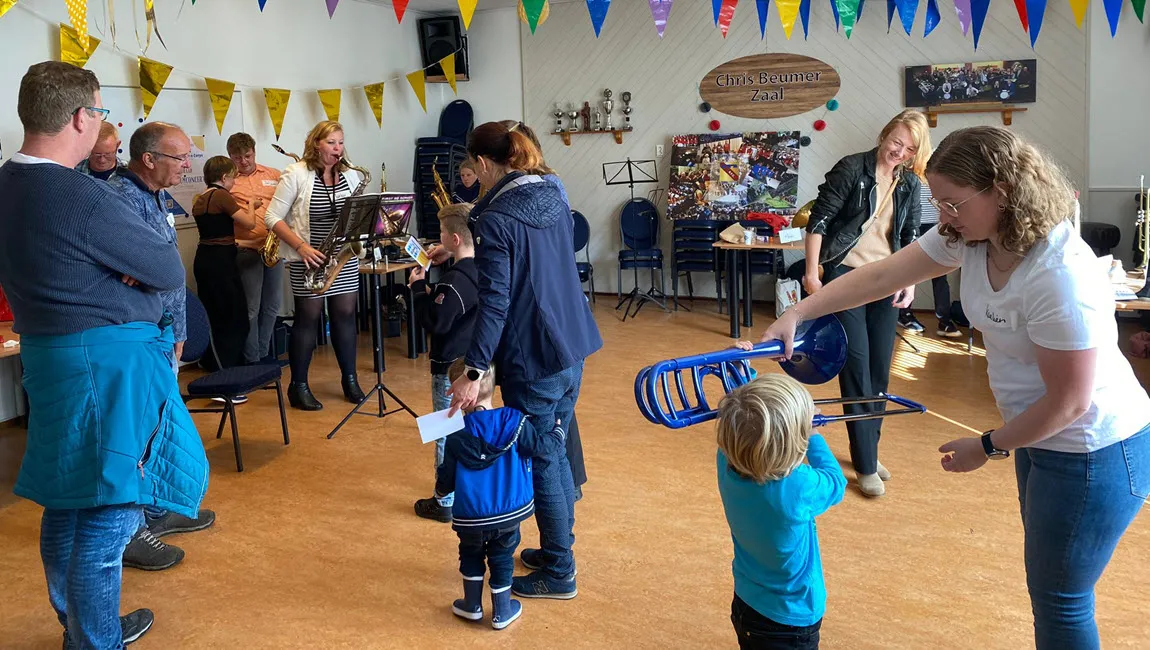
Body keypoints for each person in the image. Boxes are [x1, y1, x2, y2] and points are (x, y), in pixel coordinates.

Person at [762, 126, 1150, 650]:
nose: (941, 215)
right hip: (1041, 437)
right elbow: (880, 276)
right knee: (1051, 590)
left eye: (952, 203)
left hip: (1094, 446)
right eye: (936, 201)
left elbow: (1071, 402)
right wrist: (801, 310)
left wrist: (987, 445)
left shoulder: (1060, 275)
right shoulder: (969, 236)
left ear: (1004, 191)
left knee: (1062, 600)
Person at [0, 60, 209, 649]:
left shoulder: (7, 182)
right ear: (79, 118)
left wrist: (117, 277)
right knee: (111, 514)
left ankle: (83, 625)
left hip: (49, 357)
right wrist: (125, 280)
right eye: (101, 112)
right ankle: (95, 640)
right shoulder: (76, 195)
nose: (101, 124)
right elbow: (167, 267)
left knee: (68, 502)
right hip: (104, 368)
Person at [447, 121, 602, 599]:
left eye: (474, 166)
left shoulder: (494, 219)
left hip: (533, 355)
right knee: (555, 445)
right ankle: (556, 548)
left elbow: (495, 303)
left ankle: (560, 569)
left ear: (485, 164)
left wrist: (473, 372)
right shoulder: (553, 192)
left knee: (546, 460)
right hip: (572, 343)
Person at [802, 109, 930, 497]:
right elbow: (818, 221)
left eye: (909, 149)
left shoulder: (910, 184)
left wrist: (909, 282)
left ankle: (868, 449)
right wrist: (812, 273)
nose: (899, 152)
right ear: (883, 133)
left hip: (887, 280)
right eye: (896, 141)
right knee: (856, 366)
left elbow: (910, 237)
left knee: (879, 371)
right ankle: (866, 465)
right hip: (844, 275)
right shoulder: (851, 169)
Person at [108, 122, 218, 572]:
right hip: (138, 337)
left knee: (157, 433)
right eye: (180, 158)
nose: (188, 166)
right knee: (134, 439)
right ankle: (132, 533)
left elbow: (161, 266)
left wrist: (177, 332)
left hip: (163, 332)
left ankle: (157, 512)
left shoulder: (154, 195)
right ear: (149, 159)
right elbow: (121, 268)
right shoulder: (117, 200)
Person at [715, 373, 846, 650]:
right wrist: (815, 435)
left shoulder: (726, 461)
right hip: (791, 621)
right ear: (791, 444)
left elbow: (744, 420)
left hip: (747, 602)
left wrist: (743, 374)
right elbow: (836, 483)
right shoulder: (797, 487)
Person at [434, 359, 566, 630]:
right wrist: (558, 432)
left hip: (470, 516)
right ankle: (502, 612)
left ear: (463, 395)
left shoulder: (456, 434)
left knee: (470, 554)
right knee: (503, 557)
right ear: (492, 387)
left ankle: (472, 606)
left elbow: (446, 477)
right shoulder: (515, 420)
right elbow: (540, 447)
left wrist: (439, 493)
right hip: (509, 513)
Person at [264, 120, 366, 411]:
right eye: (331, 142)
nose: (338, 149)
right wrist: (301, 247)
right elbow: (272, 218)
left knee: (345, 316)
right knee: (308, 319)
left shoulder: (351, 175)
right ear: (316, 144)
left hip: (342, 257)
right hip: (308, 257)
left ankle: (350, 379)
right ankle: (298, 386)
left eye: (341, 142)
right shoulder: (296, 174)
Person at [410, 205, 480, 524]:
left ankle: (444, 499)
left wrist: (417, 289)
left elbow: (436, 321)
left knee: (445, 430)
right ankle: (471, 486)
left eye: (441, 234)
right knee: (472, 425)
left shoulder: (453, 282)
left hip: (449, 368)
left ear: (453, 238)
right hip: (476, 363)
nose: (436, 240)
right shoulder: (483, 267)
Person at [191, 155, 260, 370]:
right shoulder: (222, 195)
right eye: (233, 178)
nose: (234, 182)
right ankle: (230, 365)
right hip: (222, 264)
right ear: (223, 177)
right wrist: (251, 205)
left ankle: (213, 361)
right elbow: (249, 223)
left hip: (205, 259)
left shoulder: (199, 198)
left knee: (214, 313)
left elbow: (214, 234)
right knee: (235, 315)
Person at [228, 132, 284, 365]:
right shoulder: (228, 181)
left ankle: (263, 353)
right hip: (246, 250)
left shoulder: (274, 175)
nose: (244, 162)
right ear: (230, 157)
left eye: (248, 156)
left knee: (272, 305)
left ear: (254, 151)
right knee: (251, 307)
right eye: (238, 158)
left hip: (273, 247)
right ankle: (252, 360)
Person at [898, 182, 963, 338]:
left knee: (939, 275)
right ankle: (904, 314)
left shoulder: (938, 169)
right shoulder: (910, 173)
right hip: (913, 226)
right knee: (910, 273)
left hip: (936, 226)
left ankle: (944, 320)